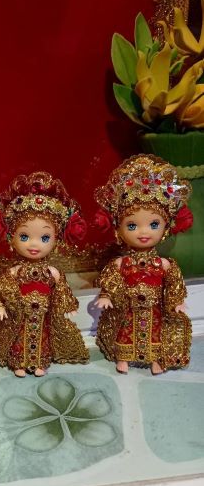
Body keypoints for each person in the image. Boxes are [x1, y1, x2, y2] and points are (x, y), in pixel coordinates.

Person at [94, 154, 193, 374]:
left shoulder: (163, 264)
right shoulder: (121, 262)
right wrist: (106, 295)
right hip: (128, 308)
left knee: (156, 333)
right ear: (118, 229)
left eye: (153, 224)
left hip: (154, 308)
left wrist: (176, 301)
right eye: (132, 226)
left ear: (166, 226)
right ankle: (124, 357)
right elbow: (111, 279)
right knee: (125, 331)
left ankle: (156, 359)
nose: (143, 232)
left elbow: (174, 283)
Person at [0, 171, 88, 376]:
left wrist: (67, 307)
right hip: (20, 317)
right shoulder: (15, 272)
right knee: (20, 339)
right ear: (11, 237)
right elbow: (3, 287)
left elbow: (62, 290)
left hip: (43, 317)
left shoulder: (52, 272)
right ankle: (19, 363)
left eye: (44, 238)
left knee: (42, 338)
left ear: (56, 239)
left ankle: (40, 362)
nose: (34, 245)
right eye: (24, 236)